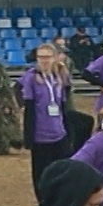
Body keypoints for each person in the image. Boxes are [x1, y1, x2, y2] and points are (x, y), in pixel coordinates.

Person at [19, 42, 77, 194]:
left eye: (47, 57)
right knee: (41, 177)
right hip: (40, 137)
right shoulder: (32, 78)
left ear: (55, 58)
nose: (44, 61)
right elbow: (29, 109)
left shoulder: (59, 77)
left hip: (60, 135)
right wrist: (28, 137)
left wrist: (69, 133)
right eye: (41, 57)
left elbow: (65, 108)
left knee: (63, 175)